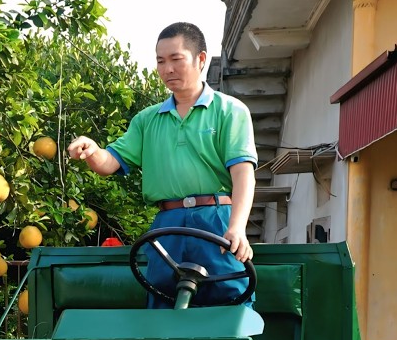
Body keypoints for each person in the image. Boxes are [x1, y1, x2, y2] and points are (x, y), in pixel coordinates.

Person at [68, 21, 257, 308]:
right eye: (160, 61)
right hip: (167, 225)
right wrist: (93, 150)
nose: (167, 69)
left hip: (216, 220)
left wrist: (237, 227)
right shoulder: (147, 120)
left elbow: (244, 173)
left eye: (176, 59)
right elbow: (110, 162)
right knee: (163, 303)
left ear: (201, 59)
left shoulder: (230, 111)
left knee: (230, 302)